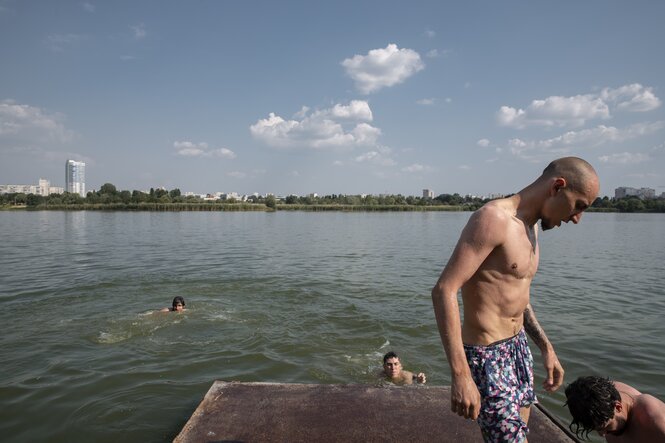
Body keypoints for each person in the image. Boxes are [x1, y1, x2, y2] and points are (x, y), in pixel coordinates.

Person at [431, 157, 599, 442]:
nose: (576, 218)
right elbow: (444, 290)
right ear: (558, 186)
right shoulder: (493, 219)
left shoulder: (531, 227)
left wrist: (546, 348)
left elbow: (518, 297)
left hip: (517, 347)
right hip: (487, 356)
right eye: (579, 205)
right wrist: (461, 374)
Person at [565, 376, 665, 442]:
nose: (602, 435)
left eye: (606, 427)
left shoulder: (652, 418)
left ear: (618, 407)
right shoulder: (600, 397)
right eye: (597, 430)